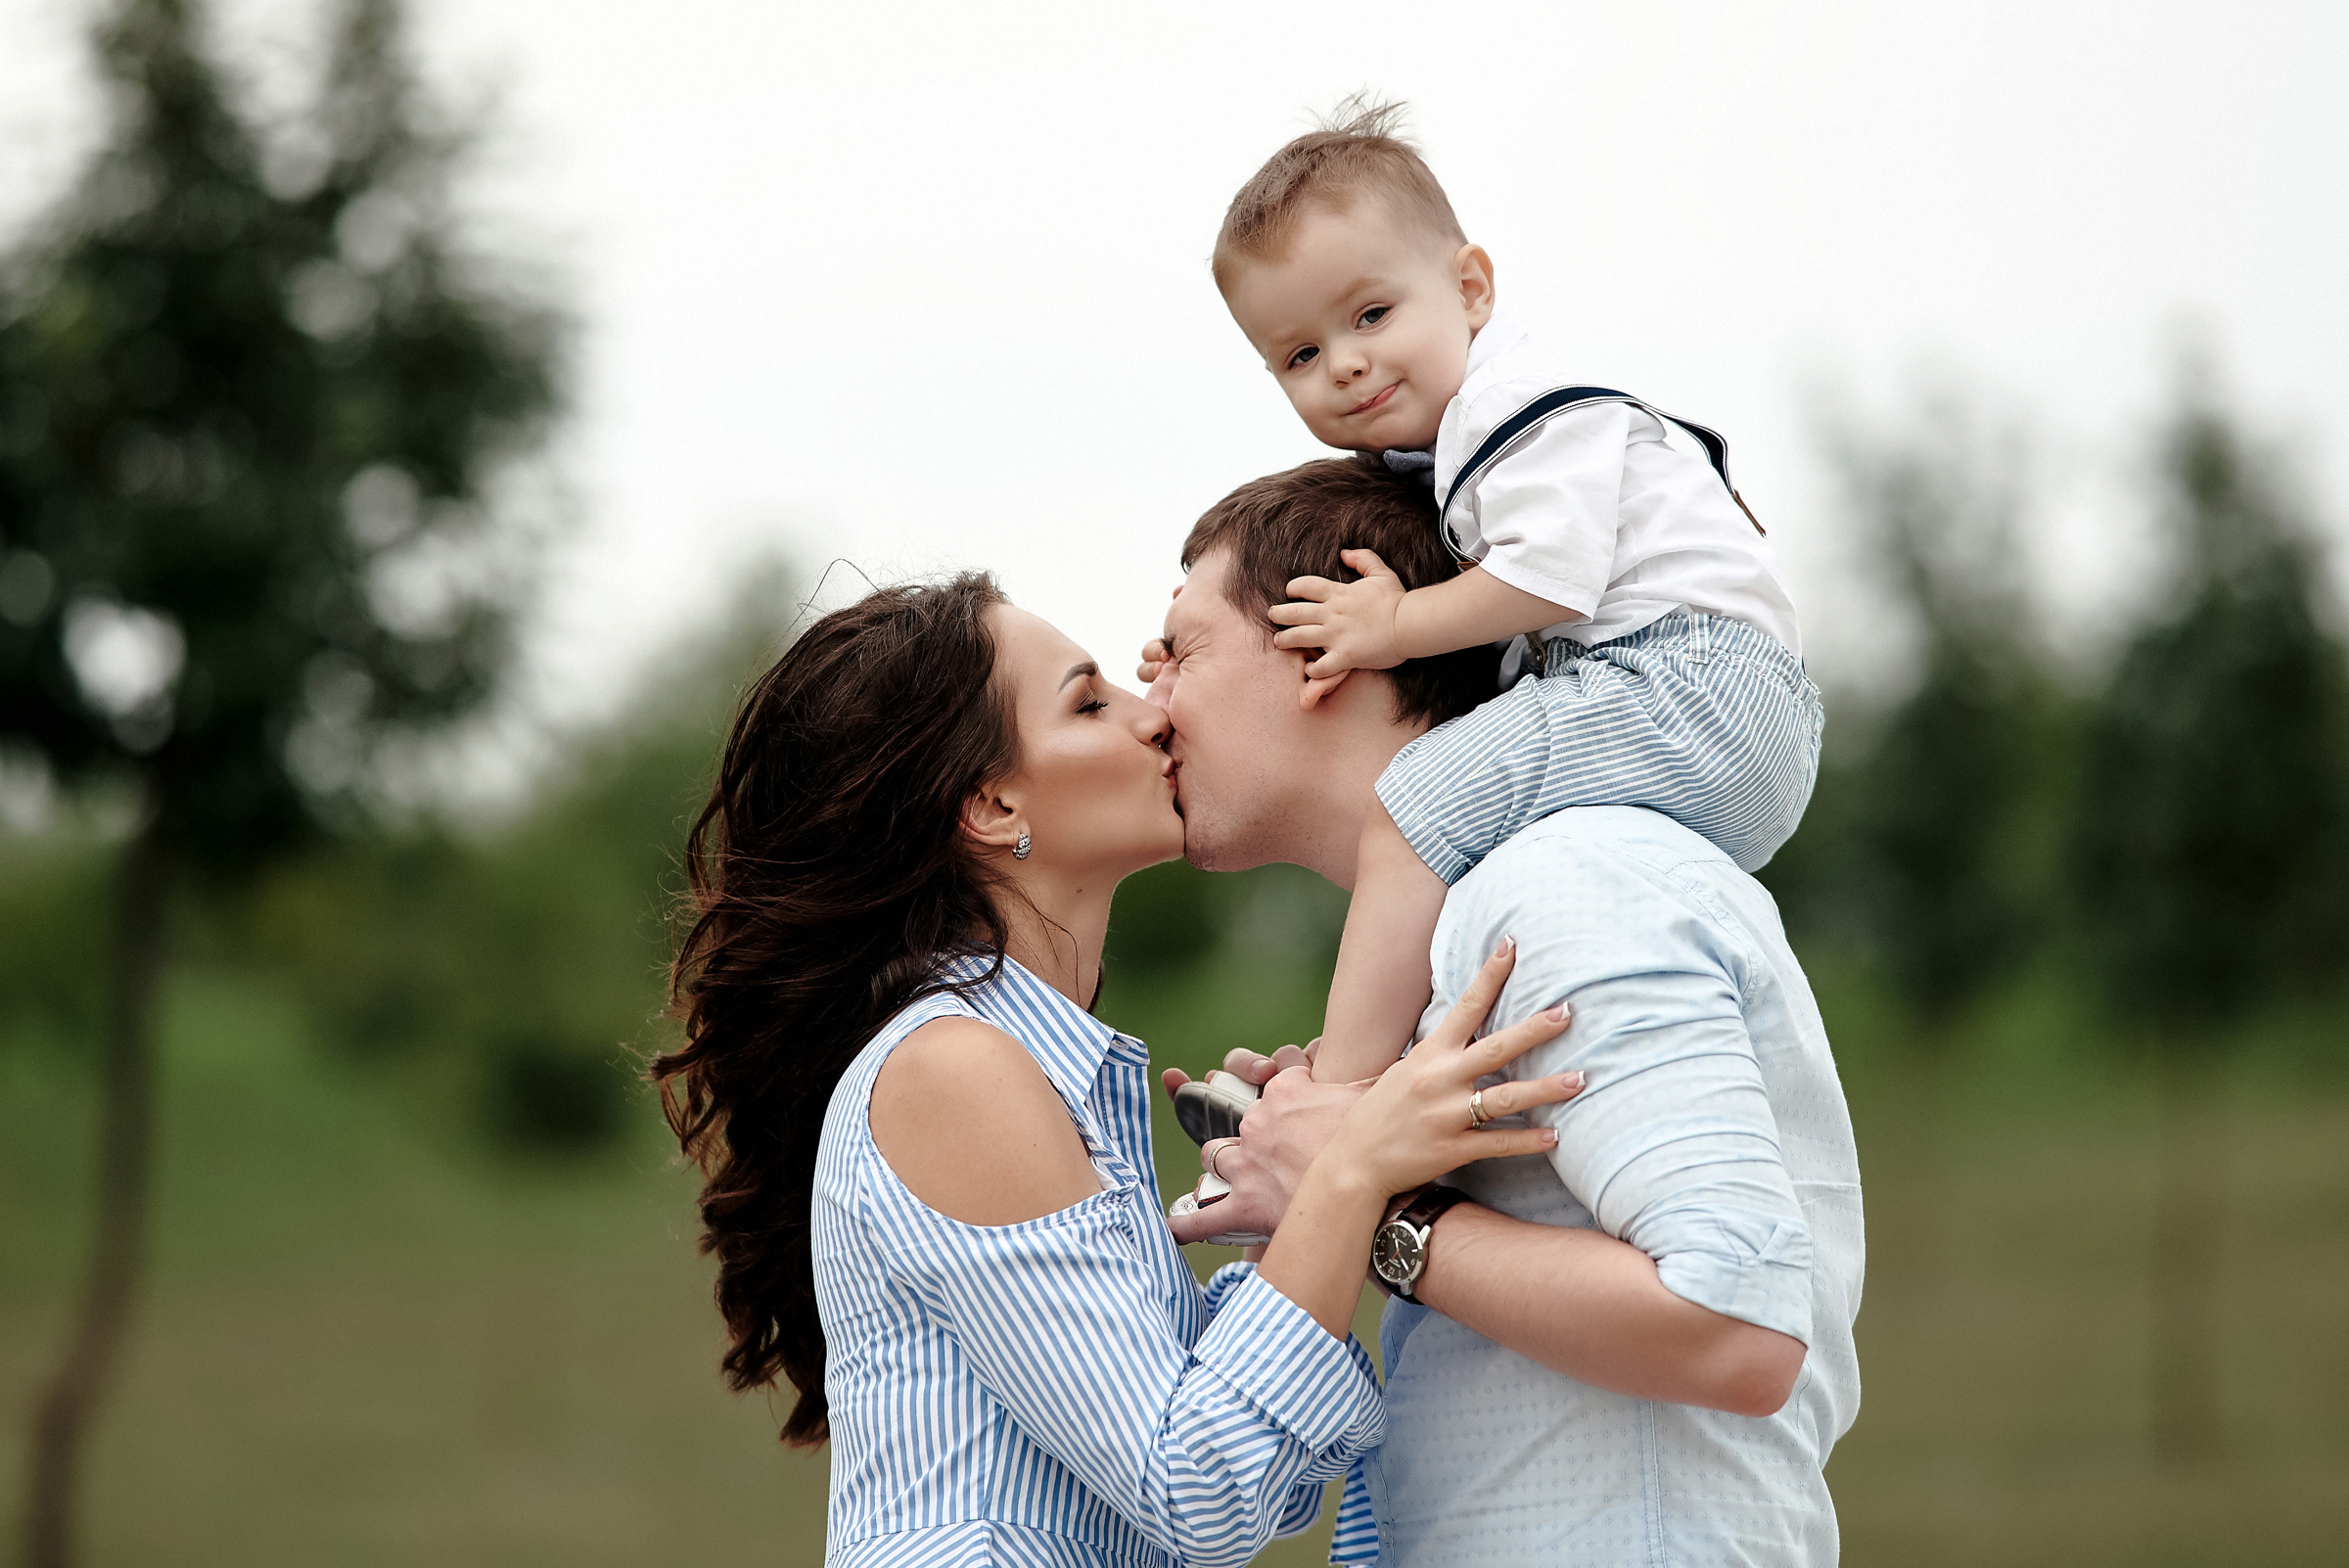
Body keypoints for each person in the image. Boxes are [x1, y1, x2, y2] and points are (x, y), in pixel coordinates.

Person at [649, 572, 1586, 1568]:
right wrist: (1349, 1173)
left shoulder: (1033, 1070)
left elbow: (1245, 1470)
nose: (1154, 719)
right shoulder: (953, 1070)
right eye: (1091, 702)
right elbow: (1196, 1490)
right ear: (988, 800)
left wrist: (1294, 1199)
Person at [1145, 461, 1865, 1565]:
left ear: (1322, 649)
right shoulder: (1472, 928)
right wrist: (1344, 1172)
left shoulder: (1568, 884)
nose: (1147, 692)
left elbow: (1736, 1329)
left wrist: (1376, 1215)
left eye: (1181, 646)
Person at [1174, 98, 1822, 1085]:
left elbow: (1546, 582)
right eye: (1300, 356)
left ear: (1471, 286)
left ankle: (1341, 1094)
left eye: (1371, 315)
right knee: (1475, 848)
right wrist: (1194, 651)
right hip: (1699, 696)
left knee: (1413, 806)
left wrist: (1392, 622)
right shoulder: (1449, 444)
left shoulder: (1514, 409)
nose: (1344, 363)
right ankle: (1395, 1055)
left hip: (1687, 682)